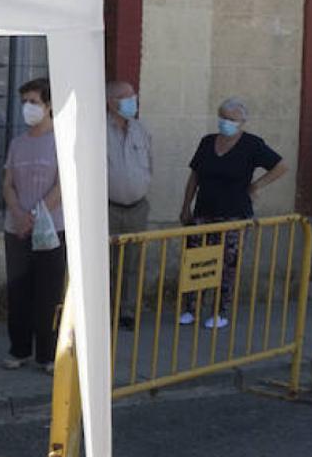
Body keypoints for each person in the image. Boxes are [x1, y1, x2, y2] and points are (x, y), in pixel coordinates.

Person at [178, 97, 288, 329]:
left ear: (242, 122)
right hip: (203, 212)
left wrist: (256, 185)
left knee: (227, 264)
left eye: (231, 119)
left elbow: (281, 166)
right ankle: (191, 308)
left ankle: (220, 311)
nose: (225, 122)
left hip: (234, 215)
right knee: (197, 261)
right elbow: (195, 175)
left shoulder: (252, 144)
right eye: (223, 117)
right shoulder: (207, 142)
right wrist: (186, 205)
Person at [1, 78, 66, 372]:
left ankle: (48, 354)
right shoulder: (17, 143)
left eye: (34, 102)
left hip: (51, 229)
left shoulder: (61, 141)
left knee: (48, 292)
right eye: (24, 102)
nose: (28, 107)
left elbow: (62, 185)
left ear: (49, 105)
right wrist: (18, 213)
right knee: (18, 291)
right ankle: (19, 349)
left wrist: (37, 215)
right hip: (17, 228)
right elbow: (8, 183)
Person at [105, 79, 153, 330]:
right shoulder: (98, 130)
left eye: (133, 95)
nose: (133, 100)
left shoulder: (140, 130)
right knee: (106, 263)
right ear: (111, 102)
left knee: (132, 264)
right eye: (127, 97)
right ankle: (105, 311)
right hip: (108, 208)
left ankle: (127, 311)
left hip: (137, 208)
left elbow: (149, 164)